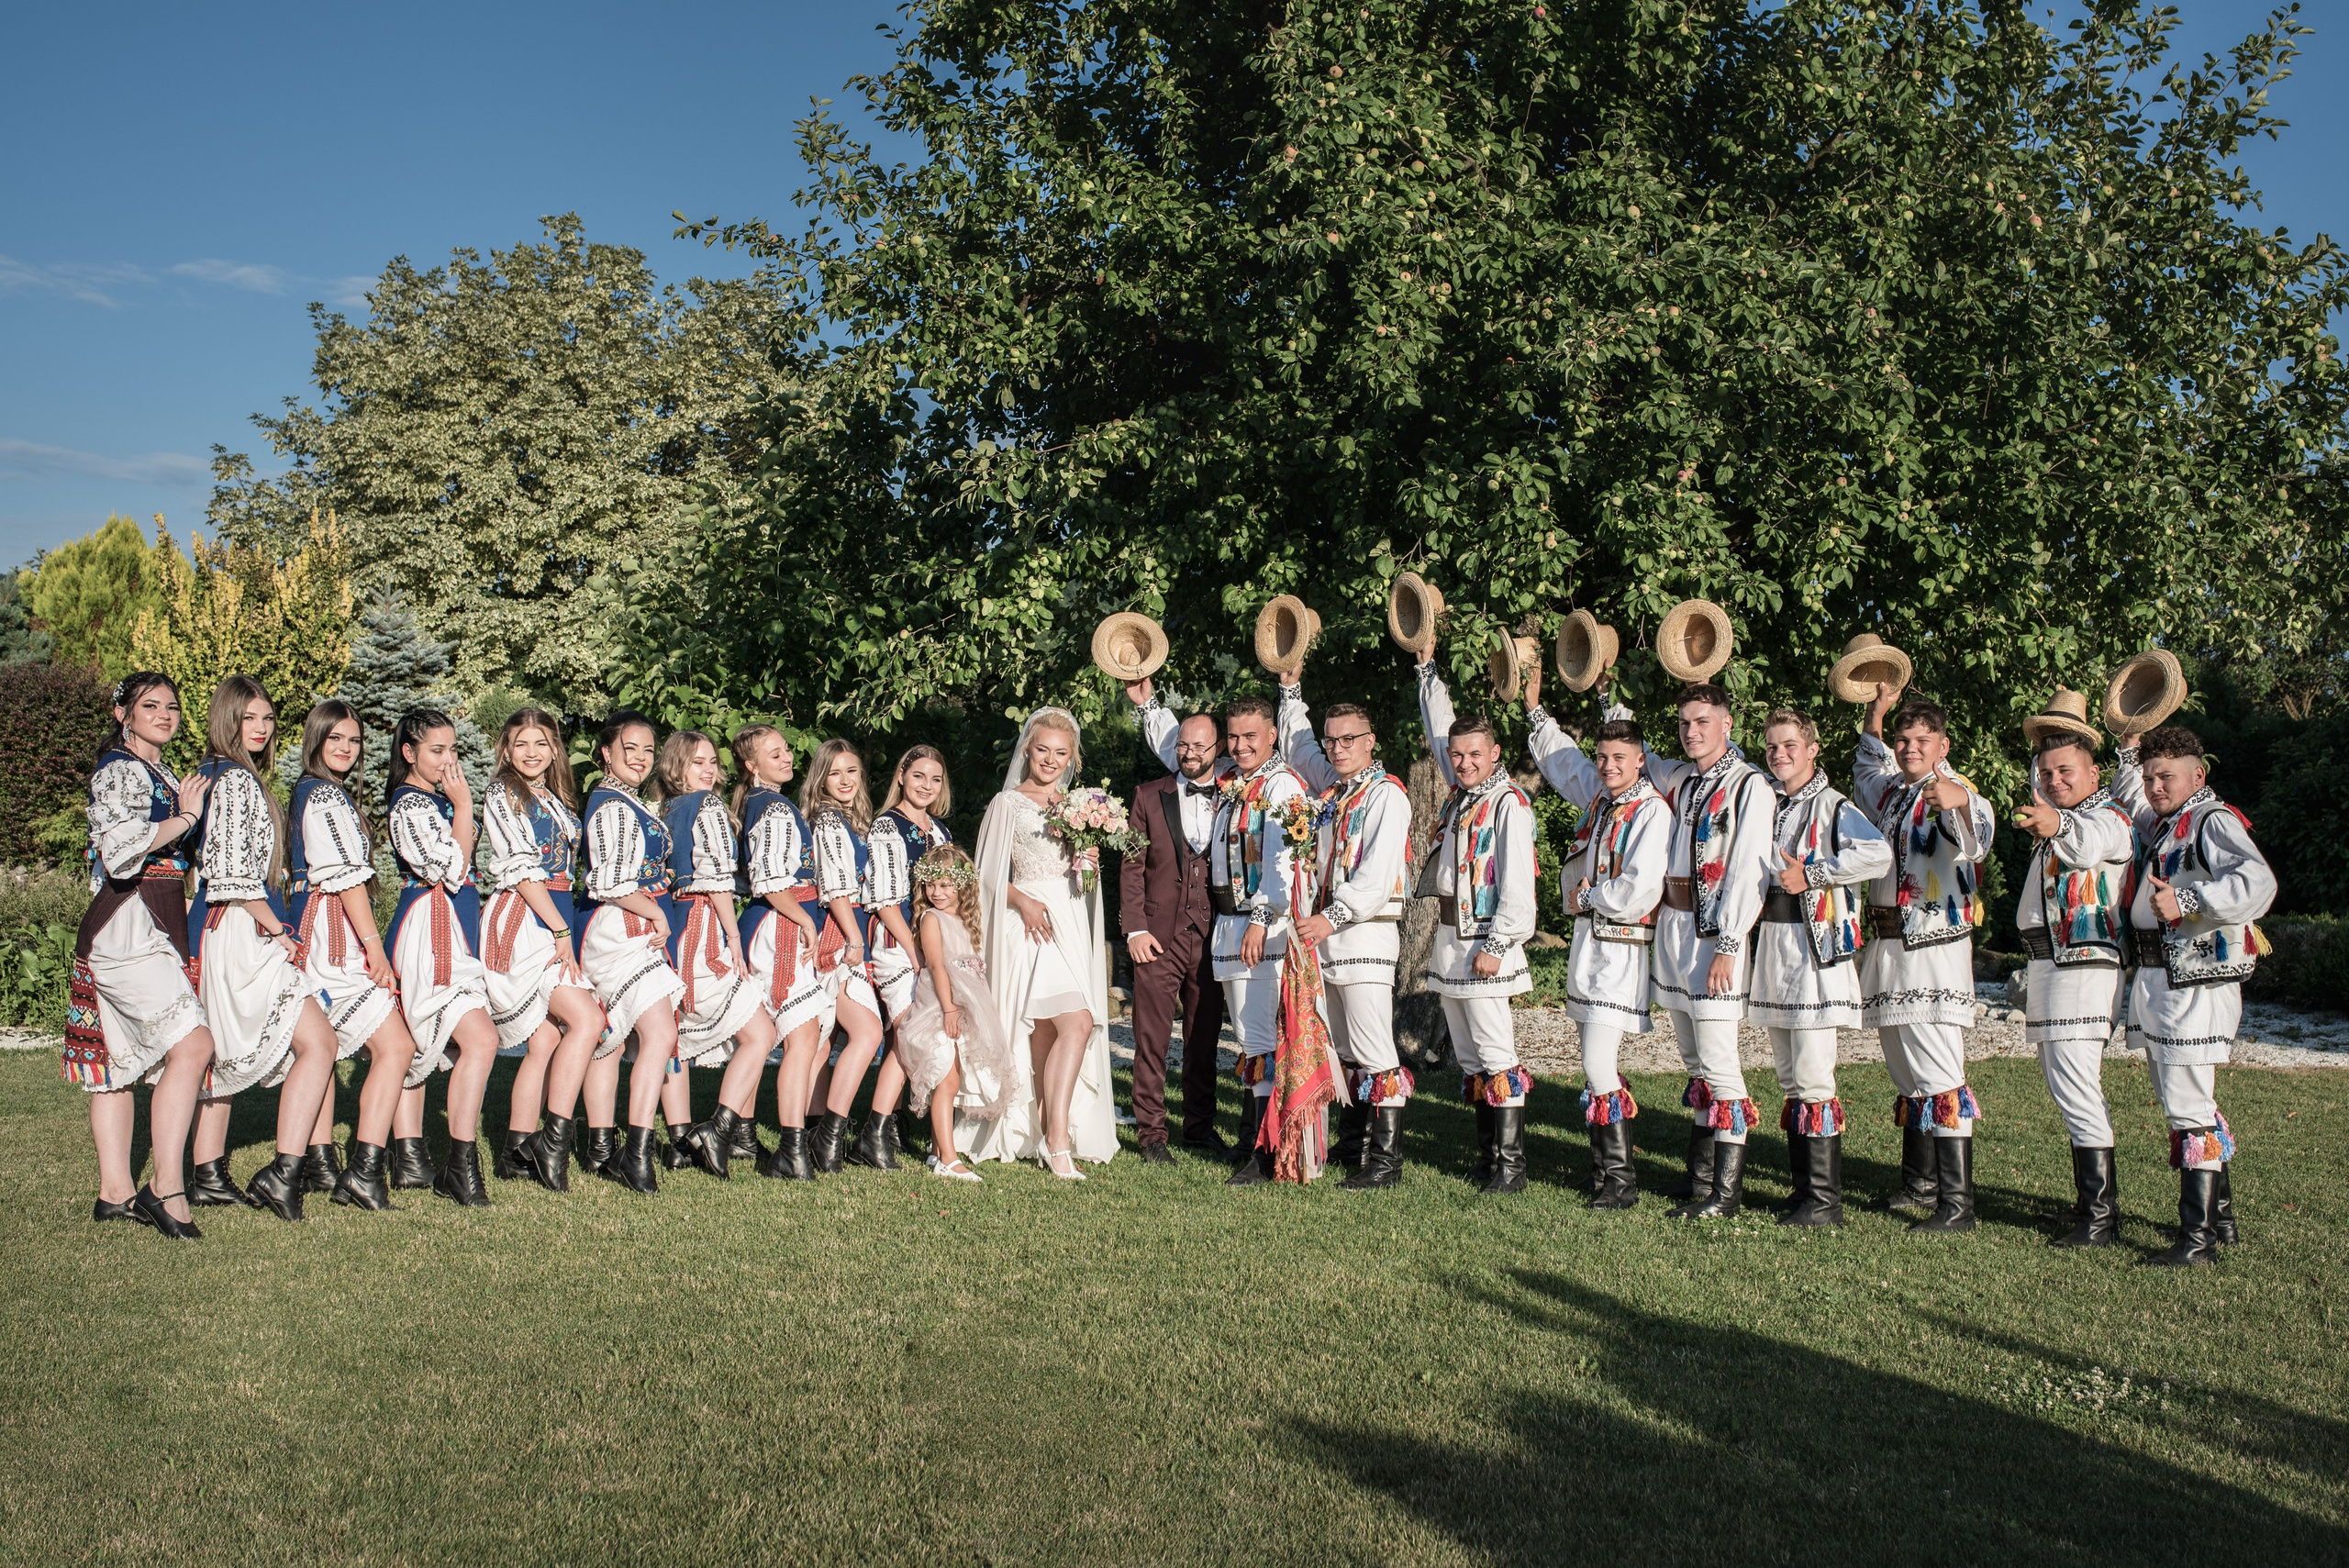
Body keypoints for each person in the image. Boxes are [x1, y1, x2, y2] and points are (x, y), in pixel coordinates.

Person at [2113, 724, 2277, 1267]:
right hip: (2166, 978)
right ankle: (2219, 1219)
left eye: (2167, 776)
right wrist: (2127, 746)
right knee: (2183, 1098)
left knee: (2188, 1103)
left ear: (2197, 775)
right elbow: (2129, 796)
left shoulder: (2212, 819)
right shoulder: (2168, 822)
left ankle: (2198, 1239)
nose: (2156, 786)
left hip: (2197, 981)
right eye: (2151, 775)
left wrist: (2187, 898)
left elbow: (2259, 883)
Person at [1614, 682, 1776, 1219]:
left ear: (1727, 723)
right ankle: (1700, 1177)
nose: (1691, 731)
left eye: (1702, 721)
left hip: (1715, 939)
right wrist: (1610, 694)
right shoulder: (1681, 778)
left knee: (1720, 1061)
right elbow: (1642, 756)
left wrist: (1731, 944)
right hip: (1677, 932)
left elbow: (1750, 869)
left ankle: (1726, 1194)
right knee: (1694, 1062)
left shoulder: (1750, 785)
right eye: (1685, 722)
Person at [67, 673, 217, 1238]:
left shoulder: (154, 771)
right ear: (122, 714)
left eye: (172, 707)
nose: (164, 714)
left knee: (117, 1063)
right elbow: (124, 853)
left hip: (150, 916)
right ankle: (166, 1187)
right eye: (149, 706)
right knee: (193, 1043)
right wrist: (185, 818)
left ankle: (115, 1193)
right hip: (127, 921)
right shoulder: (120, 771)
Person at [189, 675, 342, 1222]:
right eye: (248, 718)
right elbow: (232, 874)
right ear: (226, 720)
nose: (260, 728)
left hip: (225, 924)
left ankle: (208, 1175)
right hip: (240, 927)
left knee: (223, 1050)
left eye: (267, 719)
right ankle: (284, 1172)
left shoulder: (217, 774)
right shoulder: (233, 781)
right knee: (319, 1042)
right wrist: (278, 930)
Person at [1521, 663, 1667, 1211]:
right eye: (1603, 757)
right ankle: (1606, 1170)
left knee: (1598, 1063)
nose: (1606, 767)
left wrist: (1588, 897)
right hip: (1590, 945)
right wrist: (1536, 712)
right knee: (1593, 1057)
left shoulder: (1651, 810)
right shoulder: (1605, 802)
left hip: (1623, 948)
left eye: (1618, 759)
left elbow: (1639, 887)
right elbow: (1565, 765)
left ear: (1639, 762)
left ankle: (1621, 1180)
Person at [1853, 684, 1998, 1233]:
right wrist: (1874, 717)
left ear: (1944, 744)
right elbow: (1868, 771)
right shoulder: (1893, 792)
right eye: (1904, 739)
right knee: (1906, 1066)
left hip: (1933, 949)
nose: (1911, 747)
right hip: (1889, 946)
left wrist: (1957, 804)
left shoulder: (1959, 791)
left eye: (1923, 739)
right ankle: (1922, 1182)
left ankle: (1956, 1204)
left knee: (1938, 1068)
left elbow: (1974, 841)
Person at [1746, 707, 1891, 1228]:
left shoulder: (1833, 806)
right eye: (1771, 747)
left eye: (1789, 745)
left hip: (1816, 950)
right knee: (1788, 1074)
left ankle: (1824, 1200)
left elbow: (1878, 855)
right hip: (1775, 946)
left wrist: (1813, 872)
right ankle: (1801, 1190)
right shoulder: (1767, 803)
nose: (1779, 755)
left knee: (1812, 1072)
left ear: (1812, 750)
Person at [285, 701, 427, 1211]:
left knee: (323, 1048)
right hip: (334, 934)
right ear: (316, 741)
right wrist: (374, 950)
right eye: (335, 739)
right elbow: (346, 879)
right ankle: (363, 1170)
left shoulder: (317, 791)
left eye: (354, 740)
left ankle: (321, 1161)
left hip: (320, 928)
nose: (346, 748)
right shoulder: (323, 795)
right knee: (396, 1046)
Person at [965, 708, 1117, 1175]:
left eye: (1061, 753)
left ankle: (1039, 1129)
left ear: (1072, 758)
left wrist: (1088, 859)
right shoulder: (1007, 803)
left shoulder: (1081, 806)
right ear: (1028, 750)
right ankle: (1056, 1143)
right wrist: (1023, 901)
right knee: (1077, 1021)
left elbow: (1080, 876)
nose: (1050, 760)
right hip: (1030, 923)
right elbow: (984, 873)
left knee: (1052, 1033)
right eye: (1043, 750)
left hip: (1070, 919)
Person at [2010, 690, 2136, 1249]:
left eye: (2066, 770)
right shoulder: (2063, 820)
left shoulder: (2105, 819)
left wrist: (2056, 823)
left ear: (2093, 771)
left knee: (2077, 1085)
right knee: (2065, 1084)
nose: (2055, 780)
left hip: (2084, 967)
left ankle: (2100, 1216)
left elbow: (2087, 848)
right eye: (2046, 771)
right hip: (2051, 964)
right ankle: (2090, 1207)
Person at [1278, 677, 1415, 1189]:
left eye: (1348, 739)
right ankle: (1352, 1141)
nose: (1338, 748)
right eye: (1332, 740)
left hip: (1364, 933)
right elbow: (1299, 746)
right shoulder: (1335, 793)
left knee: (1375, 1047)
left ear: (1370, 740)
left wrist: (1330, 917)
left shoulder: (1386, 796)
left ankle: (1387, 1161)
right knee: (1347, 1048)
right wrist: (1290, 691)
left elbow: (1377, 878)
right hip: (1329, 937)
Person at [1416, 655, 1539, 1195]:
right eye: (1457, 755)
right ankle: (1488, 1154)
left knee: (1495, 1051)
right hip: (1449, 941)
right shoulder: (1464, 796)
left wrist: (1498, 940)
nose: (1464, 764)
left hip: (1486, 942)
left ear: (1495, 755)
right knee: (1469, 1056)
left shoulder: (1508, 803)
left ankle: (1511, 1167)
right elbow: (1436, 723)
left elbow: (1517, 881)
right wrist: (1427, 670)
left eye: (1474, 755)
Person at [481, 708, 607, 1191]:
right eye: (520, 745)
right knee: (588, 1020)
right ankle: (552, 1142)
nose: (531, 753)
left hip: (552, 916)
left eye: (541, 743)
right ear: (506, 751)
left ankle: (516, 1149)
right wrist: (559, 932)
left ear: (554, 749)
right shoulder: (502, 792)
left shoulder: (554, 797)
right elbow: (521, 871)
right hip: (523, 919)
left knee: (546, 1039)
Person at [384, 710, 500, 1207]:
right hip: (428, 930)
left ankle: (411, 1157)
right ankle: (461, 1164)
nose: (449, 760)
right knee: (481, 1039)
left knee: (420, 1040)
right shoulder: (408, 806)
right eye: (437, 750)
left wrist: (457, 809)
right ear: (409, 753)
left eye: (453, 750)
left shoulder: (434, 802)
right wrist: (465, 805)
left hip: (452, 927)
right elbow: (449, 867)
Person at [573, 712, 691, 1192]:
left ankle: (603, 1146)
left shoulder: (629, 802)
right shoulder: (612, 806)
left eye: (648, 750)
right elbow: (606, 881)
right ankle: (636, 1152)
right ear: (606, 752)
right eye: (630, 749)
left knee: (617, 1038)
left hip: (629, 925)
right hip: (617, 927)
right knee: (659, 1032)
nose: (641, 758)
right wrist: (657, 913)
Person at [1206, 694, 1319, 1185]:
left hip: (1263, 926)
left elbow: (1283, 862)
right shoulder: (1232, 782)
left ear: (1272, 735)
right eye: (1233, 736)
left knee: (1263, 1035)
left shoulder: (1283, 785)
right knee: (1249, 1038)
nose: (1239, 745)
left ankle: (1267, 1149)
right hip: (1231, 921)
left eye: (1250, 736)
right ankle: (1251, 1134)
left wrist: (1260, 916)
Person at [651, 730, 774, 1178]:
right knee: (760, 1033)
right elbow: (717, 877)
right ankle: (718, 1129)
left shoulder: (662, 809)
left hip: (671, 926)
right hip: (703, 925)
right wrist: (733, 937)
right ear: (676, 766)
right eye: (697, 762)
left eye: (711, 763)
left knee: (675, 1036)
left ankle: (681, 1142)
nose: (708, 770)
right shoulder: (707, 807)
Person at [1122, 679, 1230, 1161]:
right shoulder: (1148, 795)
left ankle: (1200, 1128)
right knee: (1150, 1038)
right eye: (1182, 744)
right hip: (1156, 936)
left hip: (1213, 935)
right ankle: (1151, 1135)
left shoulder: (1238, 794)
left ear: (1218, 749)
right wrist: (1134, 928)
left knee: (1204, 1038)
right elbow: (1131, 865)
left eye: (1198, 745)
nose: (1188, 752)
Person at [729, 724, 831, 1181]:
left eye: (787, 749)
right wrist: (806, 919)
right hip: (780, 925)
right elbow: (770, 880)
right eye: (775, 753)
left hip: (778, 921)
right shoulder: (769, 807)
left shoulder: (765, 803)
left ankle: (741, 1132)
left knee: (776, 1032)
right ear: (752, 765)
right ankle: (791, 1149)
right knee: (802, 1036)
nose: (788, 756)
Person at [895, 845, 1016, 1181]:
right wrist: (949, 1009)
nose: (937, 893)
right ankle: (948, 1158)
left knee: (953, 1078)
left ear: (962, 886)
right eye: (931, 886)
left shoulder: (963, 921)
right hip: (938, 1005)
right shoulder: (931, 919)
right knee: (945, 1079)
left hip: (963, 1005)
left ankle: (937, 1152)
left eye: (946, 885)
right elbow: (936, 966)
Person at [862, 745, 957, 1168]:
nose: (927, 786)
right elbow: (883, 899)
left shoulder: (939, 831)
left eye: (935, 779)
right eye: (919, 776)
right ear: (901, 775)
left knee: (925, 1035)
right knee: (908, 1035)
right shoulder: (887, 827)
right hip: (899, 944)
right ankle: (874, 1132)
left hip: (934, 944)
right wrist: (915, 951)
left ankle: (905, 1130)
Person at [804, 740, 892, 1175]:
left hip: (852, 929)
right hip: (839, 934)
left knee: (828, 1037)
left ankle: (813, 1127)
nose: (844, 780)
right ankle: (829, 1138)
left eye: (852, 772)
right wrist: (855, 941)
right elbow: (836, 887)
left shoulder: (854, 822)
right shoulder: (828, 821)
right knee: (868, 1032)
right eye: (835, 772)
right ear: (821, 777)